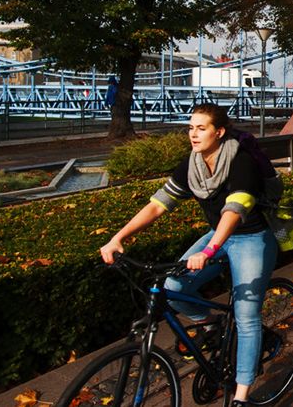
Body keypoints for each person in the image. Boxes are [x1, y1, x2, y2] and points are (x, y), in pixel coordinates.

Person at [99, 103, 276, 407]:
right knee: (172, 288)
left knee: (247, 317)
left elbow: (234, 211)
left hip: (249, 238)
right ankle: (213, 326)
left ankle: (242, 396)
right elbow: (158, 204)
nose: (193, 134)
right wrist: (118, 237)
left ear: (219, 132)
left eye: (201, 128)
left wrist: (209, 250)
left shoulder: (240, 162)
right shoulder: (192, 164)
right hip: (217, 235)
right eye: (190, 128)